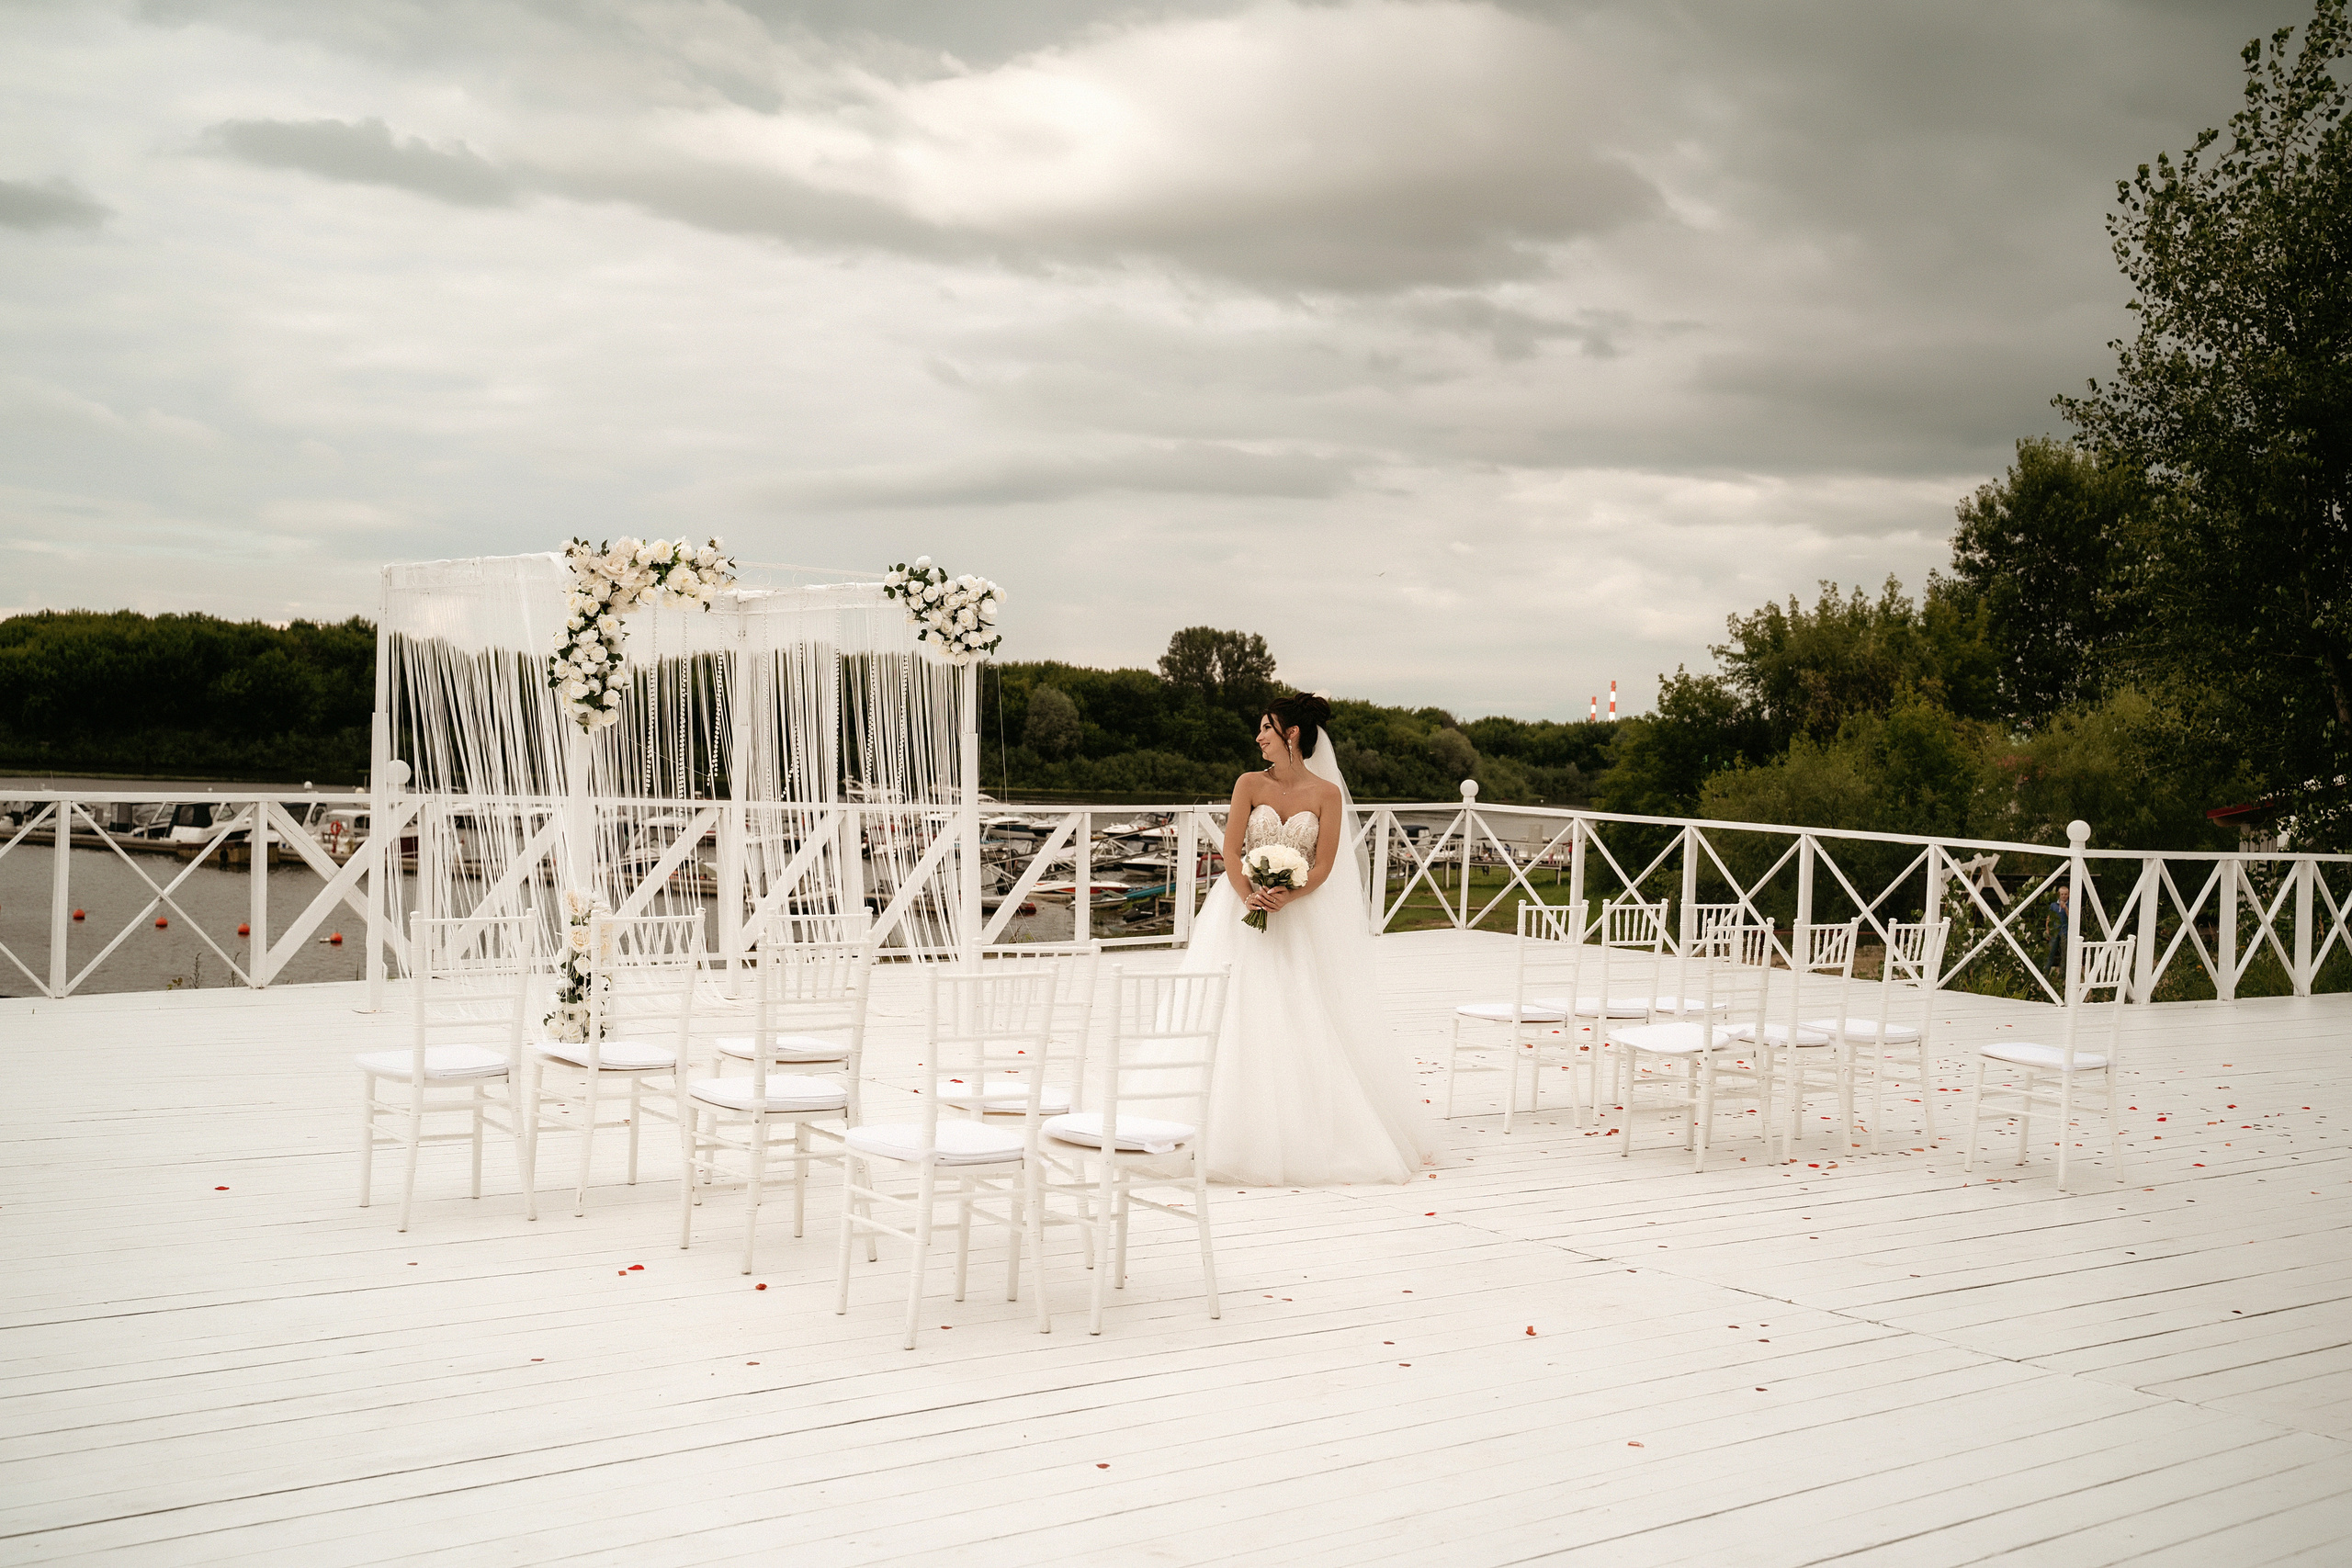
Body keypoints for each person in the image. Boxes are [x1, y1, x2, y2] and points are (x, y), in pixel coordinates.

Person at [1180, 690, 1436, 1185]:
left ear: (1291, 734)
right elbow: (1231, 850)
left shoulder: (1326, 794)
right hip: (1241, 909)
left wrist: (1287, 896)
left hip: (1299, 917)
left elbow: (1324, 866)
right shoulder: (1247, 783)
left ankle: (1307, 1126)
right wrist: (1248, 893)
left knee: (1301, 1011)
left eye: (1265, 730)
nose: (1257, 738)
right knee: (1235, 1010)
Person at [2044, 882, 2072, 976]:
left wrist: (2065, 908)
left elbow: (2072, 918)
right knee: (2050, 953)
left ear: (2068, 895)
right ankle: (2045, 974)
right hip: (2055, 932)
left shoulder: (2071, 905)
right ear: (2059, 895)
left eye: (2066, 894)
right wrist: (2047, 930)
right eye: (2062, 894)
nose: (2064, 896)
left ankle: (2062, 976)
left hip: (2065, 932)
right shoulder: (2053, 905)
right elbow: (2049, 918)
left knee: (2064, 955)